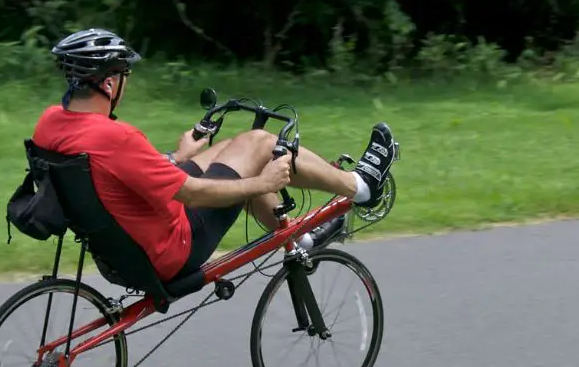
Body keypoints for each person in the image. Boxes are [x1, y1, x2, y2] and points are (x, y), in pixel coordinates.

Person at [30, 28, 399, 283]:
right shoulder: (116, 137)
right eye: (125, 74)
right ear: (109, 82)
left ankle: (298, 238)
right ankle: (361, 186)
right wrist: (261, 183)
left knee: (230, 147)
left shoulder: (50, 124)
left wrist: (177, 155)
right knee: (257, 145)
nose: (127, 82)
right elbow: (191, 193)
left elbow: (118, 176)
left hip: (121, 250)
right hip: (170, 249)